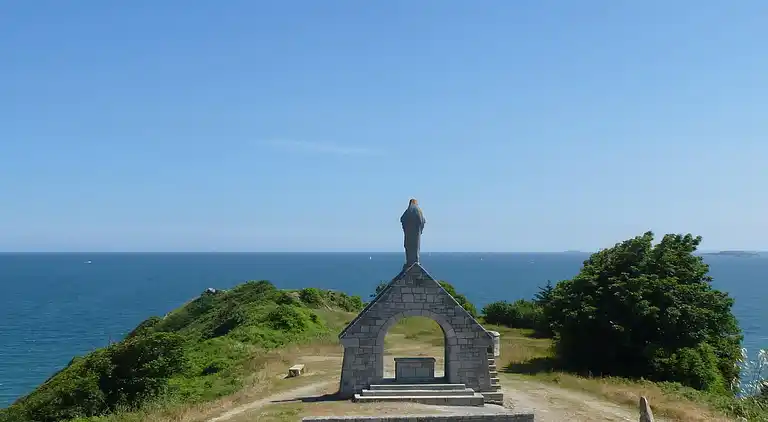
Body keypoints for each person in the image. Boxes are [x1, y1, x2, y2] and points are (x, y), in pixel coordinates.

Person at [400, 198, 426, 268]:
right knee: (415, 247)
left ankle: (410, 261)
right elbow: (422, 221)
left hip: (408, 234)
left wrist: (406, 227)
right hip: (416, 233)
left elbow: (402, 219)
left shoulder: (408, 211)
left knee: (408, 246)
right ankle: (415, 261)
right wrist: (420, 228)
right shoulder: (419, 211)